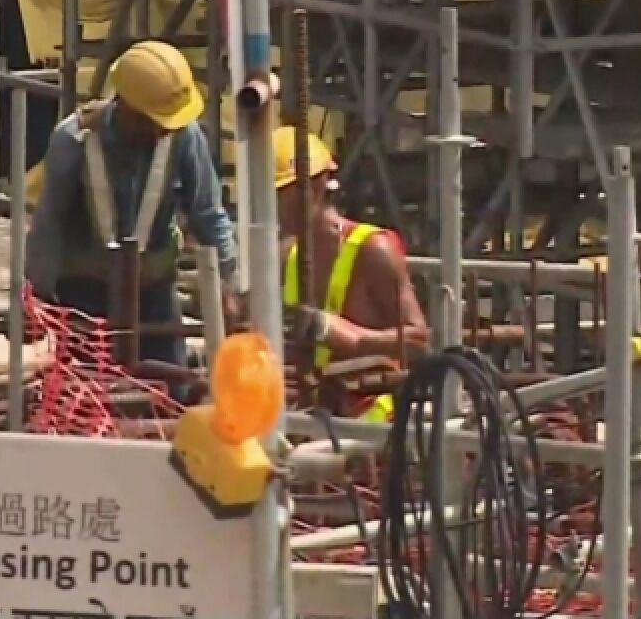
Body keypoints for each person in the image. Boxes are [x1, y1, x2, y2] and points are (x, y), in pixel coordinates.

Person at [26, 40, 239, 366]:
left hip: (153, 292)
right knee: (88, 395)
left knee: (169, 390)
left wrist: (230, 283)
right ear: (126, 107)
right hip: (86, 292)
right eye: (154, 121)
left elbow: (208, 214)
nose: (162, 130)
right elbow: (49, 223)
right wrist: (36, 295)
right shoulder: (74, 140)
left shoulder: (184, 136)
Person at [276, 127, 428, 421]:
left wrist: (357, 340)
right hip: (314, 415)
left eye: (281, 193)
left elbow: (420, 341)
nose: (273, 206)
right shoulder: (288, 257)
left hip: (374, 422)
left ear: (317, 186)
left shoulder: (372, 250)